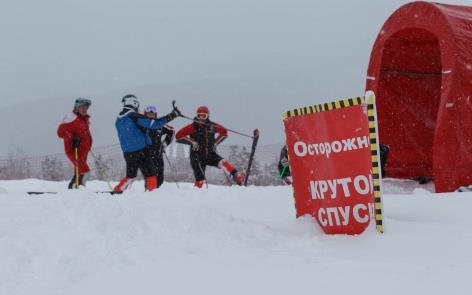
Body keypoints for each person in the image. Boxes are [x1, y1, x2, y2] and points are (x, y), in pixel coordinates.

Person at [114, 94, 181, 192]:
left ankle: (117, 190)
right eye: (137, 104)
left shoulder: (119, 119)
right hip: (142, 151)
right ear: (134, 103)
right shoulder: (134, 116)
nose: (138, 107)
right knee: (151, 175)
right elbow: (154, 124)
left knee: (131, 176)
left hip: (128, 153)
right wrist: (172, 115)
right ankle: (151, 194)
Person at [176, 105, 245, 188]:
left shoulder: (212, 126)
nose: (201, 118)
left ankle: (237, 176)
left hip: (209, 153)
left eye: (203, 116)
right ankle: (197, 192)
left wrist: (215, 143)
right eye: (199, 116)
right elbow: (178, 135)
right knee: (200, 178)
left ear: (207, 116)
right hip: (197, 156)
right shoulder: (193, 126)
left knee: (222, 162)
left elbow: (224, 132)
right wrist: (192, 142)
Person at [57, 98, 92, 189]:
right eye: (82, 107)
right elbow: (60, 132)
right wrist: (72, 138)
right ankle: (79, 188)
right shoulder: (70, 118)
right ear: (77, 107)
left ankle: (74, 187)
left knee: (80, 171)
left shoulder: (84, 118)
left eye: (86, 108)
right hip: (73, 149)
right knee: (85, 170)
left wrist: (89, 143)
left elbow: (85, 133)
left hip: (83, 150)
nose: (85, 110)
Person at [144, 105, 175, 188]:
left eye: (153, 114)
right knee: (150, 176)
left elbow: (171, 131)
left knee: (160, 177)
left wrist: (164, 144)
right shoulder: (142, 124)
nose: (151, 116)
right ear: (145, 114)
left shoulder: (159, 125)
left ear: (155, 115)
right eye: (149, 114)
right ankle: (148, 192)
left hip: (158, 153)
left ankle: (158, 194)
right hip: (146, 154)